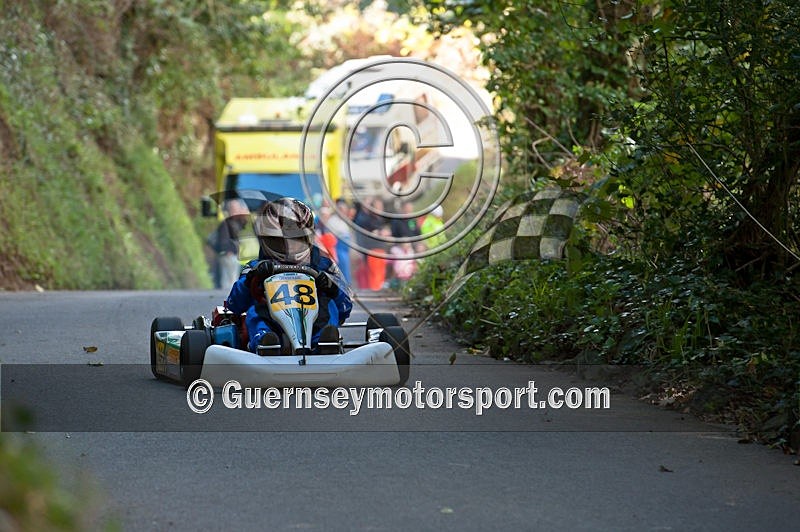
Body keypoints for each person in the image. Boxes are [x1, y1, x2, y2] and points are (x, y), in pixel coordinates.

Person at [225, 197, 352, 354]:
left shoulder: (323, 264)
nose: (288, 247)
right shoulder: (256, 267)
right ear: (266, 240)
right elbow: (234, 304)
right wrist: (251, 278)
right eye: (279, 241)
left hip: (314, 318)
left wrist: (331, 287)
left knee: (328, 304)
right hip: (273, 321)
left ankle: (323, 344)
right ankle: (265, 342)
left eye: (295, 240)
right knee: (256, 310)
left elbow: (345, 307)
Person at [207, 199, 250, 289]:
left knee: (232, 280)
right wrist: (227, 251)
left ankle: (229, 298)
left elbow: (245, 225)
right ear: (230, 210)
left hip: (234, 256)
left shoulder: (236, 222)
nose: (236, 211)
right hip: (228, 256)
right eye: (234, 209)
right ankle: (226, 299)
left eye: (237, 208)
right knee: (228, 281)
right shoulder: (226, 224)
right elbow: (223, 240)